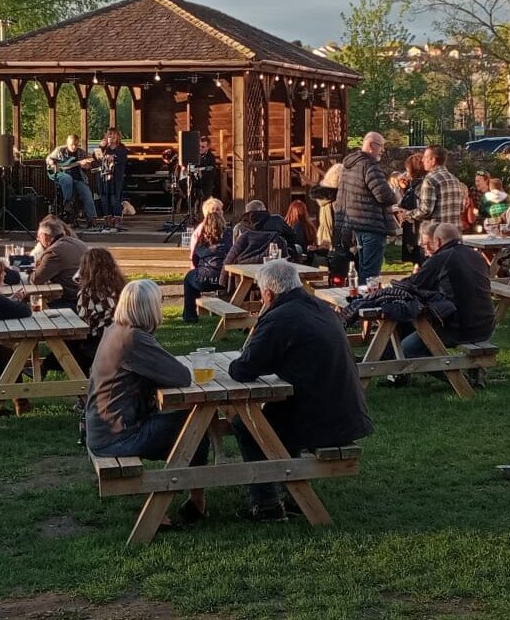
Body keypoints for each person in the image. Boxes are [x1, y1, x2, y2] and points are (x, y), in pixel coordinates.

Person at [226, 260, 373, 520]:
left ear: (268, 293)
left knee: (248, 423)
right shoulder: (320, 307)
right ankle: (291, 494)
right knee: (277, 416)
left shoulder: (280, 317)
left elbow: (244, 369)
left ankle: (267, 504)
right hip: (346, 410)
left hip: (323, 419)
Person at [84, 280, 210, 527]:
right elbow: (181, 376)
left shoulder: (116, 330)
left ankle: (189, 494)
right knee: (195, 426)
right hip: (117, 437)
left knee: (190, 427)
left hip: (103, 429)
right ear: (149, 308)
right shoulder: (133, 339)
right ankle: (187, 502)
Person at [388, 223, 496, 383]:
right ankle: (397, 376)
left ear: (437, 241)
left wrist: (391, 284)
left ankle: (460, 380)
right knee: (411, 324)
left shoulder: (441, 258)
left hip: (458, 327)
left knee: (407, 349)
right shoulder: (477, 256)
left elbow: (410, 285)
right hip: (486, 324)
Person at [335, 131, 400, 280]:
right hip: (372, 225)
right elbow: (384, 195)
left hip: (354, 225)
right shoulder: (369, 165)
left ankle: (360, 294)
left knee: (362, 270)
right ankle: (368, 296)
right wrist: (395, 193)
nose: (383, 150)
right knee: (370, 273)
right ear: (371, 145)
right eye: (381, 146)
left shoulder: (348, 166)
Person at [71, 247, 126, 367]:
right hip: (118, 335)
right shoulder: (120, 287)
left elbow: (84, 321)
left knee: (69, 342)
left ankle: (45, 366)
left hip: (98, 341)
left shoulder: (89, 293)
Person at [181, 199, 231, 322]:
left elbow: (194, 258)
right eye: (215, 210)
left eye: (219, 209)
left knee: (189, 278)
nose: (218, 212)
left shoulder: (201, 235)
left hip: (205, 277)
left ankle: (190, 315)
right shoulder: (230, 233)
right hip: (227, 277)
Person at [407, 146, 468, 241]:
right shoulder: (454, 179)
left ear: (433, 160)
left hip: (436, 236)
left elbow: (425, 210)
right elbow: (461, 208)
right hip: (454, 234)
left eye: (425, 157)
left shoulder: (430, 179)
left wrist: (408, 214)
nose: (422, 160)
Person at [30, 215, 89, 310]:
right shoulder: (80, 243)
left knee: (35, 307)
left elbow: (36, 279)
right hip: (87, 298)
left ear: (45, 236)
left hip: (73, 301)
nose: (38, 241)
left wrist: (31, 272)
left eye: (38, 238)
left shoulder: (53, 252)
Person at [44, 133, 100, 224]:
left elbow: (88, 167)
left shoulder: (81, 152)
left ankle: (92, 218)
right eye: (72, 145)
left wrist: (86, 166)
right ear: (67, 143)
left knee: (87, 193)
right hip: (61, 175)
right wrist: (52, 162)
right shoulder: (60, 150)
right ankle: (68, 203)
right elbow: (48, 158)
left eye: (76, 145)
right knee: (67, 178)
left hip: (78, 178)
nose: (74, 147)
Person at [396, 154, 428, 264]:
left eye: (407, 169)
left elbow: (421, 208)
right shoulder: (413, 185)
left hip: (418, 232)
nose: (406, 172)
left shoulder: (420, 186)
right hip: (413, 232)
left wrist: (406, 214)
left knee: (420, 262)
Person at [96, 127, 130, 227]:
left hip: (116, 177)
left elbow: (122, 160)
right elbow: (96, 158)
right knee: (104, 198)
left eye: (114, 135)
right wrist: (101, 147)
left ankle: (117, 218)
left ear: (117, 137)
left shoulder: (121, 148)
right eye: (109, 135)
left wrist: (112, 158)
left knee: (115, 198)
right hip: (104, 176)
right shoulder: (104, 148)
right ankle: (107, 218)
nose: (111, 138)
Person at [190, 134, 222, 203]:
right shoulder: (193, 155)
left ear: (207, 147)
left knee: (205, 199)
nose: (200, 148)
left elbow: (212, 171)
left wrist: (201, 171)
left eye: (202, 147)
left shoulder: (211, 157)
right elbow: (190, 167)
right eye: (199, 146)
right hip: (194, 181)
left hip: (206, 183)